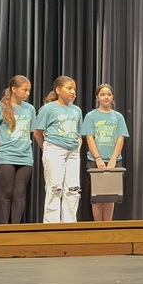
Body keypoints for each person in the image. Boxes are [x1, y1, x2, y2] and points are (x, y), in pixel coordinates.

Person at [32, 76, 83, 223]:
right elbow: (38, 132)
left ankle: (70, 223)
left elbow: (79, 132)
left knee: (73, 188)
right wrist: (46, 147)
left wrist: (77, 145)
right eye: (69, 88)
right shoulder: (48, 108)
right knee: (55, 187)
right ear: (58, 90)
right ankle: (52, 225)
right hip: (54, 148)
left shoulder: (76, 110)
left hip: (72, 151)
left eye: (74, 89)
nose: (73, 91)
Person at [0, 75, 36, 224]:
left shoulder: (30, 109)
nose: (27, 93)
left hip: (25, 157)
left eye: (29, 90)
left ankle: (16, 227)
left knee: (19, 193)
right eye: (25, 90)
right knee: (7, 192)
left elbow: (32, 132)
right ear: (14, 89)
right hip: (6, 156)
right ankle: (3, 227)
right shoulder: (0, 107)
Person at [82, 84, 130, 221]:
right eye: (103, 94)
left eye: (108, 94)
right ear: (97, 97)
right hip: (95, 160)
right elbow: (90, 138)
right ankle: (98, 226)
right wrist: (97, 158)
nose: (106, 97)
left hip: (113, 160)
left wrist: (113, 159)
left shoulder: (118, 117)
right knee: (97, 197)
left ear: (112, 96)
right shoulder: (91, 116)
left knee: (110, 196)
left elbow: (121, 138)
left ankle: (108, 226)